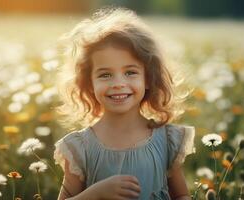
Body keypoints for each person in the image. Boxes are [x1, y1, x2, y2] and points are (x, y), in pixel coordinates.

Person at [53, 7, 195, 200]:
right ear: (89, 83)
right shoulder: (80, 148)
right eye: (105, 75)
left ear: (148, 78)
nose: (118, 84)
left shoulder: (167, 140)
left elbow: (181, 195)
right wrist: (95, 194)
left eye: (130, 72)